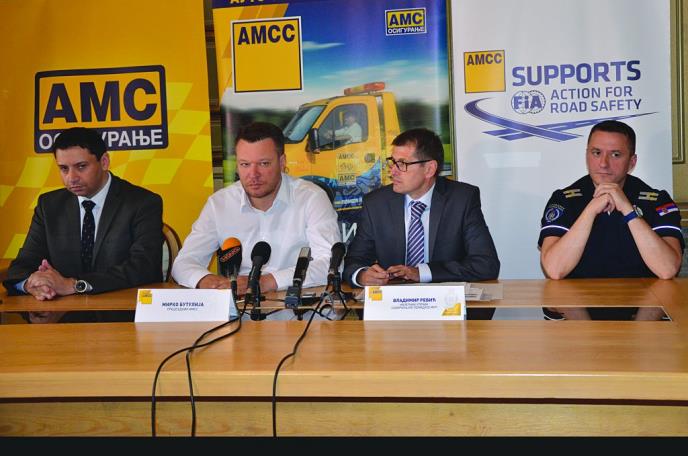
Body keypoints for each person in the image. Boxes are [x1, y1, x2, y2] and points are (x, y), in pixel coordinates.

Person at [171, 122, 341, 319]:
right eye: (245, 164)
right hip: (239, 320)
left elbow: (330, 264)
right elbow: (183, 263)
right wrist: (207, 280)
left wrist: (266, 281)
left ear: (282, 162)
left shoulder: (311, 198)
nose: (253, 174)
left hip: (304, 319)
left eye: (263, 164)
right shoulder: (220, 203)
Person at [3, 127, 163, 323]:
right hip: (61, 319)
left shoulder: (143, 203)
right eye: (64, 168)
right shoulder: (49, 205)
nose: (71, 178)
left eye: (81, 166)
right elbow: (21, 266)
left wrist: (75, 285)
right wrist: (33, 284)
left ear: (104, 162)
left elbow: (144, 267)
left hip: (122, 318)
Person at [343, 128, 500, 319]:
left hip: (447, 308)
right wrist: (362, 275)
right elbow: (354, 260)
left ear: (429, 169)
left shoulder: (462, 199)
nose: (392, 171)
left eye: (402, 164)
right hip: (393, 309)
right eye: (392, 162)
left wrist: (421, 273)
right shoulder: (377, 203)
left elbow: (486, 264)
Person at [538, 120, 684, 320]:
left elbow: (667, 269)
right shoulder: (565, 199)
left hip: (643, 309)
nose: (603, 163)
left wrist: (628, 210)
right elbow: (555, 270)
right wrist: (590, 210)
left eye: (615, 154)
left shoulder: (656, 200)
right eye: (596, 153)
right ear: (587, 155)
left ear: (632, 162)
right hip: (578, 310)